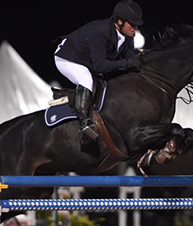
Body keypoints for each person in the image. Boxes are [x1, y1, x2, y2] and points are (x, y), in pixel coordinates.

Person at [54, 0, 143, 144]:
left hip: (89, 60)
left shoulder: (127, 35)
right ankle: (84, 125)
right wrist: (126, 63)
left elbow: (130, 60)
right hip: (68, 58)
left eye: (136, 25)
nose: (135, 28)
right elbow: (100, 66)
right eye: (132, 24)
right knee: (86, 79)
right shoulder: (101, 31)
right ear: (119, 21)